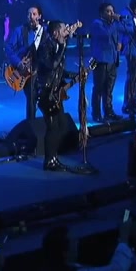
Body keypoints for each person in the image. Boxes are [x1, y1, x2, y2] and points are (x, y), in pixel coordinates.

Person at [35, 20, 84, 171]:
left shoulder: (57, 46)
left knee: (61, 125)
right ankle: (49, 161)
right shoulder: (45, 47)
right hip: (45, 92)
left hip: (55, 92)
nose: (66, 32)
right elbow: (52, 66)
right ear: (56, 33)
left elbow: (59, 71)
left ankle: (54, 157)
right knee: (52, 127)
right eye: (64, 30)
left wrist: (75, 75)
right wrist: (63, 46)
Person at [4, 5, 46, 120]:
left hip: (42, 71)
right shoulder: (20, 30)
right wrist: (18, 62)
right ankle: (31, 124)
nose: (31, 16)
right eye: (29, 14)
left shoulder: (45, 31)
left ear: (39, 16)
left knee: (45, 100)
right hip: (26, 72)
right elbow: (8, 48)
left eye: (34, 14)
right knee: (31, 98)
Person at [90, 3, 126, 122]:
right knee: (99, 89)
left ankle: (109, 112)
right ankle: (96, 114)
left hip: (113, 60)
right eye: (108, 11)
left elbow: (120, 33)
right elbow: (106, 34)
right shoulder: (97, 24)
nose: (112, 13)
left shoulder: (113, 24)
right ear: (102, 13)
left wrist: (120, 42)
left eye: (112, 11)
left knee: (109, 89)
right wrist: (115, 22)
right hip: (101, 60)